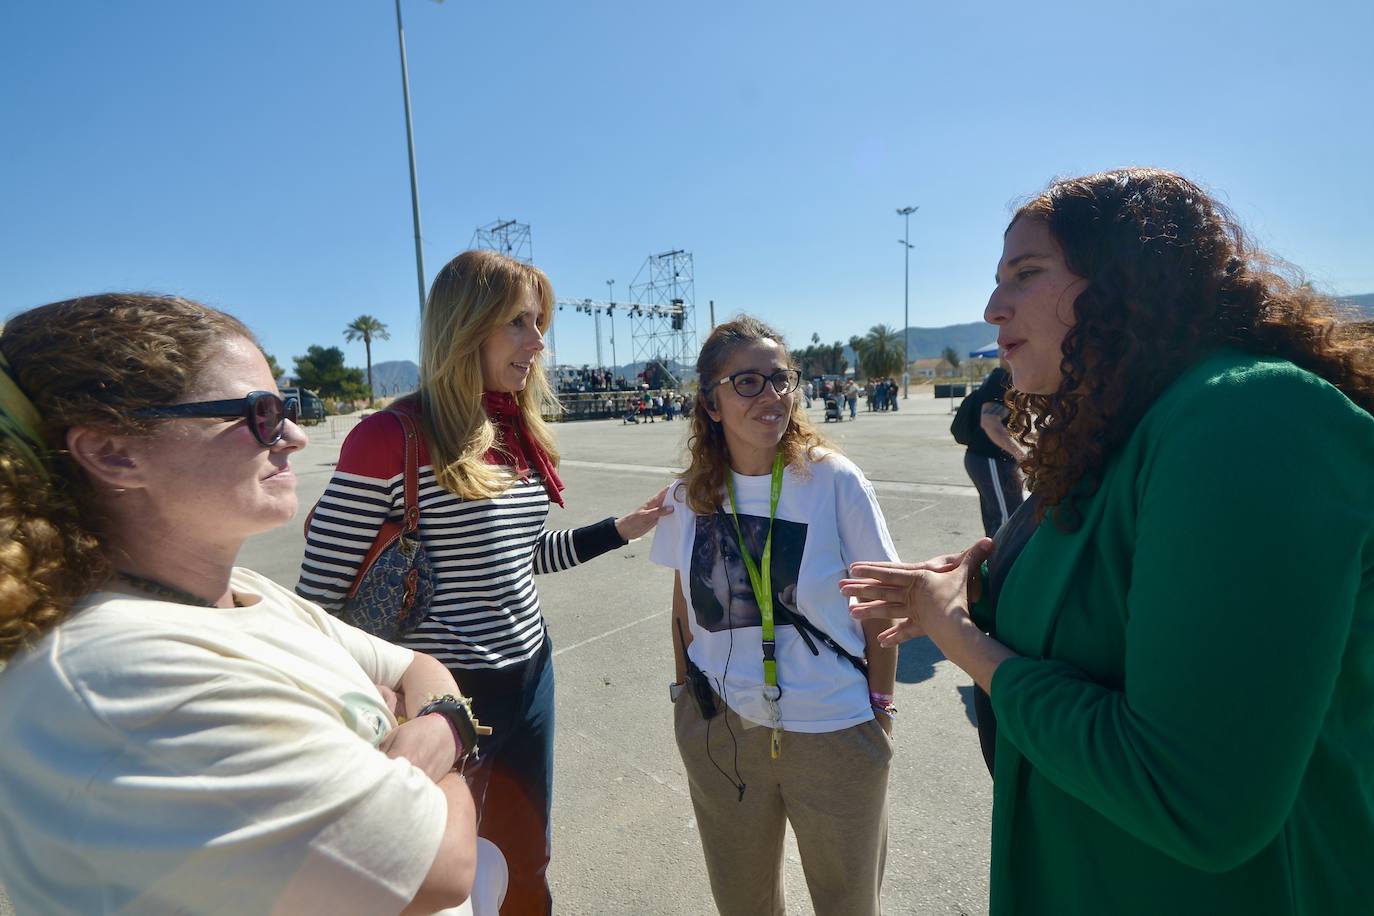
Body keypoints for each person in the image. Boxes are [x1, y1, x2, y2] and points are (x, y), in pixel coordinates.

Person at [843, 168, 1374, 915]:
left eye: (1027, 273)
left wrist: (957, 632)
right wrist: (979, 585)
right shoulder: (1121, 429)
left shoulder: (1248, 417)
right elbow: (1107, 601)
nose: (993, 307)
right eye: (998, 279)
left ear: (1133, 280)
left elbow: (1194, 800)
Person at [0, 293, 490, 914]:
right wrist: (450, 738)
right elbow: (443, 867)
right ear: (113, 453)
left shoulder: (240, 591)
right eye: (261, 414)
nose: (295, 437)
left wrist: (438, 725)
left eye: (286, 410)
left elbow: (418, 666)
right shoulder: (126, 675)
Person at [297, 249, 670, 916]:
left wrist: (621, 529)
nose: (538, 341)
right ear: (466, 328)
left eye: (539, 322)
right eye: (518, 323)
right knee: (444, 882)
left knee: (526, 864)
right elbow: (317, 605)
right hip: (444, 698)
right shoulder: (389, 439)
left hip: (531, 680)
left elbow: (521, 558)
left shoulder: (514, 429)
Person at [650, 316, 898, 916]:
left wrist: (880, 709)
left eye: (781, 379)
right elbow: (683, 606)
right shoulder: (688, 497)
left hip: (834, 728)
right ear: (711, 404)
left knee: (849, 905)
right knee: (744, 903)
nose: (771, 395)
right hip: (723, 730)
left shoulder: (833, 480)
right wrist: (685, 699)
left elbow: (881, 600)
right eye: (748, 382)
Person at [961, 360, 1025, 539]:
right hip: (990, 458)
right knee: (1008, 520)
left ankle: (993, 554)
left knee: (1000, 517)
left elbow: (1009, 424)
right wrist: (1022, 456)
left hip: (987, 460)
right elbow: (990, 423)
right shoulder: (1002, 379)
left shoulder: (1007, 379)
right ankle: (1002, 557)